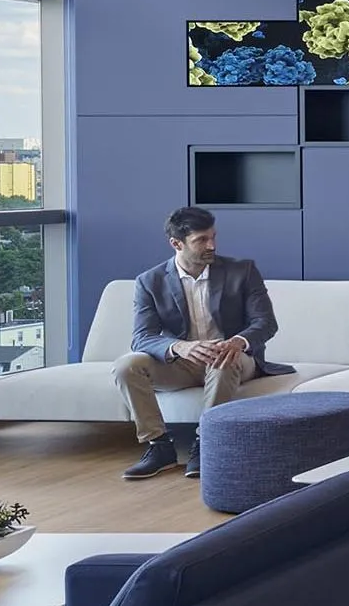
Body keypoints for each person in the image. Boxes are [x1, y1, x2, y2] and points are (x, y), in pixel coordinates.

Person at [116, 206, 280, 481]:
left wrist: (237, 342)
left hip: (235, 358)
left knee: (223, 359)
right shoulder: (150, 281)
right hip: (182, 362)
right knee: (127, 366)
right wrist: (180, 347)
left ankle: (206, 443)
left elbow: (265, 323)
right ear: (176, 244)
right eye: (201, 240)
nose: (211, 245)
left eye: (213, 237)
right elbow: (142, 337)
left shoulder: (242, 270)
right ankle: (159, 446)